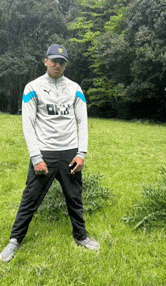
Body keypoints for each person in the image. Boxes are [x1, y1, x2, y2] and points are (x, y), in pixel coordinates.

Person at [0, 44, 100, 262]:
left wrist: (81, 153)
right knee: (30, 198)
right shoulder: (32, 87)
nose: (58, 65)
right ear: (45, 61)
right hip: (44, 154)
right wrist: (36, 157)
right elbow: (28, 124)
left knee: (74, 197)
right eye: (54, 61)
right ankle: (14, 241)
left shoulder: (75, 88)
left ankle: (81, 237)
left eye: (62, 62)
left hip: (70, 154)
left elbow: (82, 122)